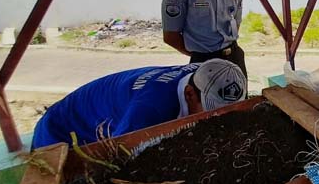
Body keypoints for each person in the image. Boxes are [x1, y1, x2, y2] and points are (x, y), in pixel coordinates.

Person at [32, 59, 247, 149]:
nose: (218, 120)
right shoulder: (150, 113)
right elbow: (119, 158)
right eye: (211, 112)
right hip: (63, 133)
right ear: (190, 95)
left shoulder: (208, 72)